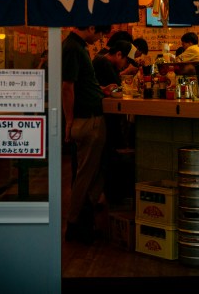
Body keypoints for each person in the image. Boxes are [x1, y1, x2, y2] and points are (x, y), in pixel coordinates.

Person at [62, 24, 111, 244]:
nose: (100, 39)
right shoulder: (73, 48)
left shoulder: (77, 47)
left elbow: (81, 83)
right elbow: (67, 87)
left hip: (89, 117)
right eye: (101, 34)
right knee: (85, 174)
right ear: (91, 28)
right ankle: (75, 225)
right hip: (87, 119)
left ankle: (84, 223)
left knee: (92, 172)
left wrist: (100, 90)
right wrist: (69, 121)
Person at [92, 40, 134, 205]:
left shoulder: (101, 60)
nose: (125, 64)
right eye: (126, 60)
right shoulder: (105, 63)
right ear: (118, 54)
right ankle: (108, 196)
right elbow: (116, 87)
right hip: (104, 117)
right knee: (109, 156)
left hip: (101, 115)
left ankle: (104, 195)